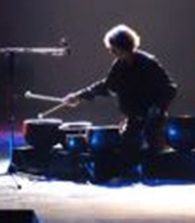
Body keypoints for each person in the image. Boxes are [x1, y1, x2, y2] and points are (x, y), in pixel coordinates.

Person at [63, 25, 177, 154]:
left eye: (113, 48)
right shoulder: (119, 65)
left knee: (151, 157)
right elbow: (108, 86)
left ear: (122, 46)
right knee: (126, 154)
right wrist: (79, 96)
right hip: (133, 121)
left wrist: (157, 108)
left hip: (152, 124)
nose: (111, 52)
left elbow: (170, 88)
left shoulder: (148, 63)